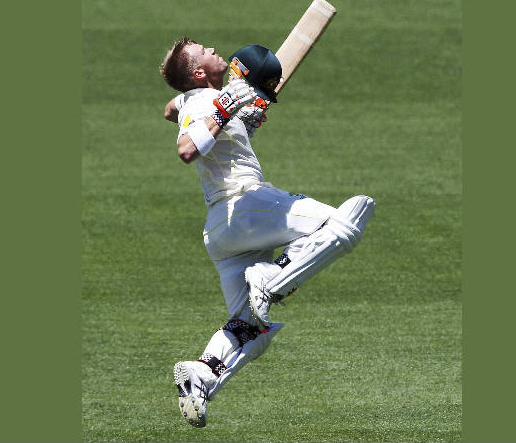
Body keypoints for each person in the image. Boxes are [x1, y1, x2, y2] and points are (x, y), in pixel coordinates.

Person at [159, 37, 376, 428]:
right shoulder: (209, 102)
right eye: (206, 51)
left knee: (250, 328)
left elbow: (170, 108)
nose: (214, 49)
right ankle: (270, 277)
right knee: (343, 222)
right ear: (199, 72)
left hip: (222, 233)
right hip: (243, 205)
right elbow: (187, 150)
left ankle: (202, 374)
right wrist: (224, 109)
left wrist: (234, 118)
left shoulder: (195, 100)